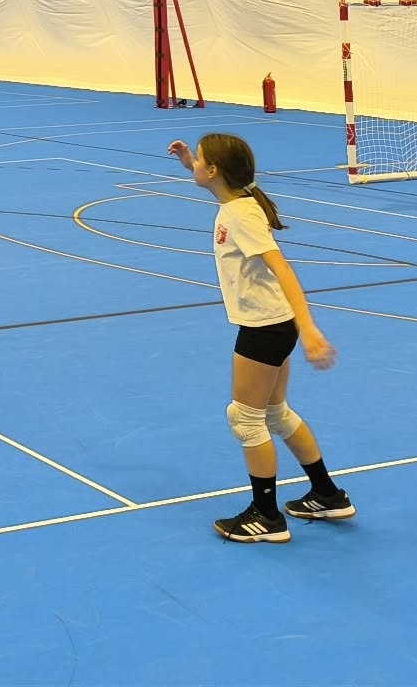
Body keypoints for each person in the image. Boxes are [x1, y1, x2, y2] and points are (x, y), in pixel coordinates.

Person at [165, 132, 352, 543]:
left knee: (245, 418)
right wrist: (190, 162)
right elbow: (215, 183)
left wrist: (310, 329)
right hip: (273, 323)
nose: (196, 165)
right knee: (275, 414)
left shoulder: (241, 216)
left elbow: (282, 269)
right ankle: (327, 494)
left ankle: (266, 516)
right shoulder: (239, 200)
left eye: (200, 161)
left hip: (265, 327)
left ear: (215, 171)